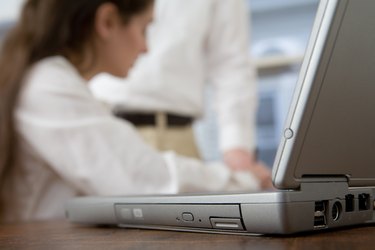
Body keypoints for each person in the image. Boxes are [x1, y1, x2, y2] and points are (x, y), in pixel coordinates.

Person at [0, 0, 270, 223]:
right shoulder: (48, 87)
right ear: (107, 22)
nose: (146, 47)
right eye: (144, 29)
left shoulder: (46, 80)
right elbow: (150, 181)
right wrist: (245, 181)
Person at [89, 0, 272, 186]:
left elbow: (231, 65)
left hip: (176, 135)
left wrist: (238, 154)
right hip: (102, 128)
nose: (145, 48)